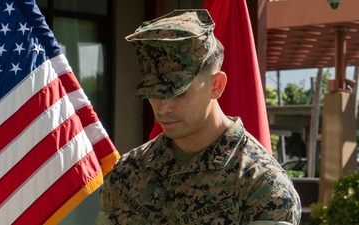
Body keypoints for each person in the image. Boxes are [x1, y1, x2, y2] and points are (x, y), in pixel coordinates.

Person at [95, 9, 302, 225]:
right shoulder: (128, 172)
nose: (163, 107)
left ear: (216, 86)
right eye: (153, 92)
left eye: (178, 92)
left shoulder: (261, 185)